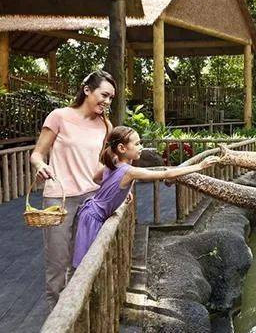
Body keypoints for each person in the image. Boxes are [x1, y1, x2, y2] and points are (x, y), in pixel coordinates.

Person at [72, 126, 220, 268]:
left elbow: (96, 179)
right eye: (136, 144)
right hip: (94, 217)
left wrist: (121, 190)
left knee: (92, 260)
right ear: (122, 148)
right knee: (88, 263)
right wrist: (200, 166)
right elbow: (166, 174)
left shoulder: (114, 164)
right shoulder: (129, 171)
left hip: (90, 211)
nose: (140, 147)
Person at [30, 70, 115, 309]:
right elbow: (37, 154)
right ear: (87, 90)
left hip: (91, 199)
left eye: (111, 98)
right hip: (59, 199)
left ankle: (78, 312)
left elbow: (101, 165)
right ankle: (55, 315)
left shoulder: (105, 126)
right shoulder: (59, 116)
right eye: (104, 95)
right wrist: (41, 165)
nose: (107, 102)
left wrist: (118, 186)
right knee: (57, 262)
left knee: (84, 259)